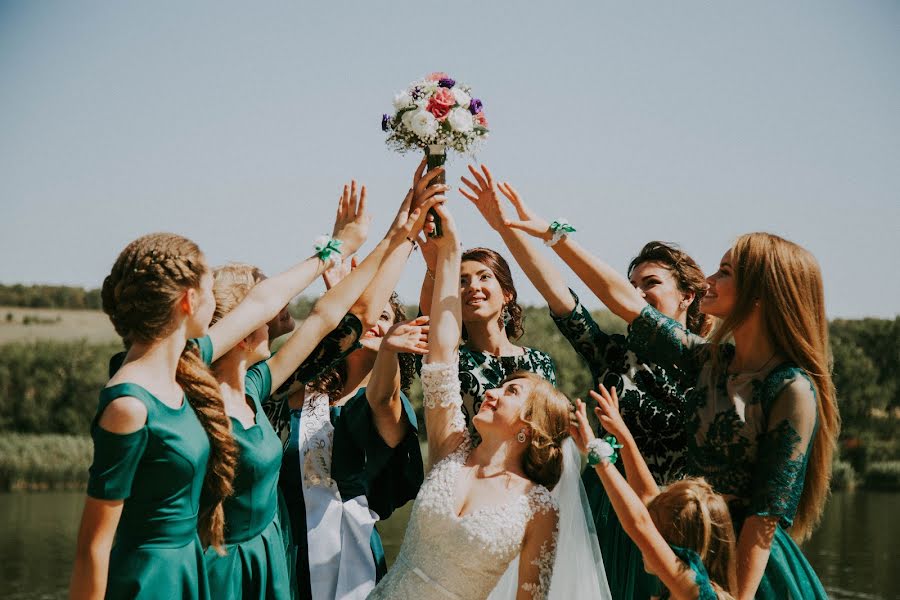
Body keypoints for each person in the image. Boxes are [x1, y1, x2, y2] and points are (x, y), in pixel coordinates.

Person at [507, 206, 837, 599]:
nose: (709, 281)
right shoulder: (708, 362)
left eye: (725, 273)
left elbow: (764, 517)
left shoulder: (791, 387)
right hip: (680, 539)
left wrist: (735, 596)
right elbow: (622, 301)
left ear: (761, 294)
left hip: (743, 566)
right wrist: (552, 233)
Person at [462, 165, 710, 598]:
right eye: (632, 284)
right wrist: (506, 224)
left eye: (650, 284)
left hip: (675, 521)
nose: (637, 293)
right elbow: (559, 295)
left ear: (687, 295)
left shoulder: (707, 367)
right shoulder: (612, 356)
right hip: (605, 511)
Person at [69, 230, 339, 599]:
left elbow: (262, 302)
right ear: (189, 300)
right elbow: (92, 549)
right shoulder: (128, 405)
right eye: (211, 290)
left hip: (191, 568)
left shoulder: (186, 366)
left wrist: (338, 246)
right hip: (150, 580)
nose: (219, 304)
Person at [204, 180, 425, 599]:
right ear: (248, 325)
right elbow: (337, 319)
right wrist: (353, 250)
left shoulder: (256, 385)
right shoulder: (261, 390)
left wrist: (401, 235)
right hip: (226, 564)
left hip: (282, 560)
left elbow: (337, 319)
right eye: (273, 304)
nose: (284, 306)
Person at [370, 203, 573, 599]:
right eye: (462, 281)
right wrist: (445, 255)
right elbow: (440, 350)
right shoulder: (452, 441)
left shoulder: (538, 506)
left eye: (483, 278)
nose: (492, 392)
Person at [279, 167, 442, 600]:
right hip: (284, 550)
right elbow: (333, 326)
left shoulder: (389, 402)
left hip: (348, 560)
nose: (373, 323)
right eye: (366, 316)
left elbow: (379, 397)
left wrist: (387, 350)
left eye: (385, 318)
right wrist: (340, 270)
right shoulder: (301, 393)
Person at [572, 383, 738, 600]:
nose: (646, 544)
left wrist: (597, 452)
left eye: (656, 533)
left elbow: (639, 524)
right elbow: (647, 498)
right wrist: (622, 433)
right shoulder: (684, 588)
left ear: (676, 546)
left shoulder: (697, 593)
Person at [417, 183, 557, 431]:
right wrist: (434, 268)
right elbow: (427, 325)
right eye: (461, 281)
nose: (472, 286)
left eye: (483, 277)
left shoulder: (540, 362)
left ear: (507, 294)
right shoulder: (450, 361)